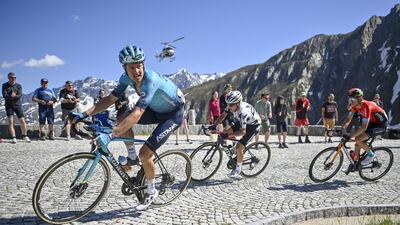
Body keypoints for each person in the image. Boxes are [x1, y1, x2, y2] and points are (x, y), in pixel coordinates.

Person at [70, 45, 185, 210]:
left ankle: (151, 191)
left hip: (173, 114)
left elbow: (138, 113)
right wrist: (83, 114)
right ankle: (132, 156)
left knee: (145, 154)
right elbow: (110, 99)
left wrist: (112, 134)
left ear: (144, 64)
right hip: (156, 110)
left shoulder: (150, 80)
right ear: (125, 68)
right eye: (132, 67)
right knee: (121, 118)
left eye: (139, 66)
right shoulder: (125, 78)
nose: (137, 71)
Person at [212, 91, 261, 178]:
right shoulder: (232, 105)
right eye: (228, 104)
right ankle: (234, 150)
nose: (229, 107)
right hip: (244, 122)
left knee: (239, 147)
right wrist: (214, 125)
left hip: (253, 126)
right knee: (226, 130)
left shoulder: (243, 112)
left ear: (237, 104)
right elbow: (223, 115)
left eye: (231, 105)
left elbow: (243, 132)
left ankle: (238, 169)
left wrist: (227, 136)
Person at [341, 88, 388, 166]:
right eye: (350, 99)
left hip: (381, 125)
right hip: (372, 122)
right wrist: (342, 128)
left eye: (352, 99)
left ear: (359, 98)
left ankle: (371, 155)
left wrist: (350, 136)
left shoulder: (366, 106)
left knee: (358, 139)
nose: (351, 101)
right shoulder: (354, 106)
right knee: (357, 144)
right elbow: (348, 119)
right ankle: (355, 164)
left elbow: (364, 127)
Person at [1, 72, 30, 143]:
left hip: (18, 105)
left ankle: (25, 136)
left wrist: (13, 96)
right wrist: (12, 96)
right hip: (9, 105)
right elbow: (5, 95)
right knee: (11, 121)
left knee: (22, 121)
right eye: (11, 77)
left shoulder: (19, 86)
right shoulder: (4, 85)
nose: (13, 79)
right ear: (8, 78)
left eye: (14, 77)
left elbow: (19, 95)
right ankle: (13, 137)